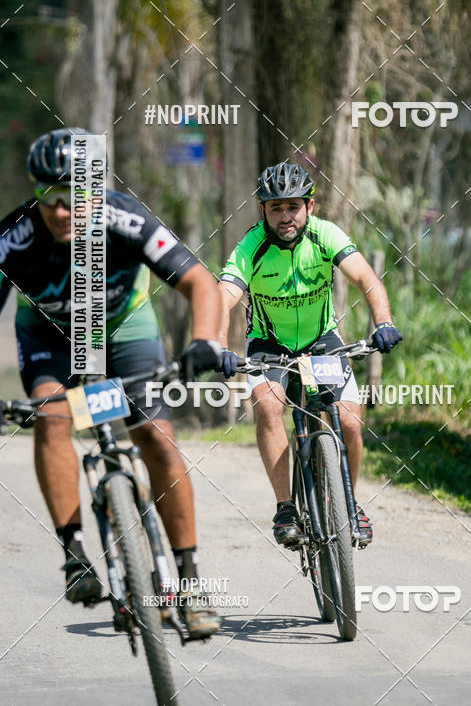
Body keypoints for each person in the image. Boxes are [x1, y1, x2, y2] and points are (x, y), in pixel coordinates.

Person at [0, 128, 224, 639]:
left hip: (124, 328)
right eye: (48, 197)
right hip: (51, 337)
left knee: (156, 436)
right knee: (52, 415)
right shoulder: (14, 237)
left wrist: (205, 340)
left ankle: (190, 581)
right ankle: (75, 555)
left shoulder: (125, 219)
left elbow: (199, 281)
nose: (61, 210)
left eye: (74, 196)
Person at [218, 162, 401, 548]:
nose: (286, 216)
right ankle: (285, 507)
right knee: (269, 407)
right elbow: (224, 297)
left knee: (349, 421)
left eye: (293, 206)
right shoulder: (251, 247)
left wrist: (383, 322)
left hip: (321, 341)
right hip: (269, 344)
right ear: (262, 210)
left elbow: (367, 279)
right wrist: (216, 344)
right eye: (276, 208)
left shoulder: (325, 235)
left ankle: (349, 502)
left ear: (309, 207)